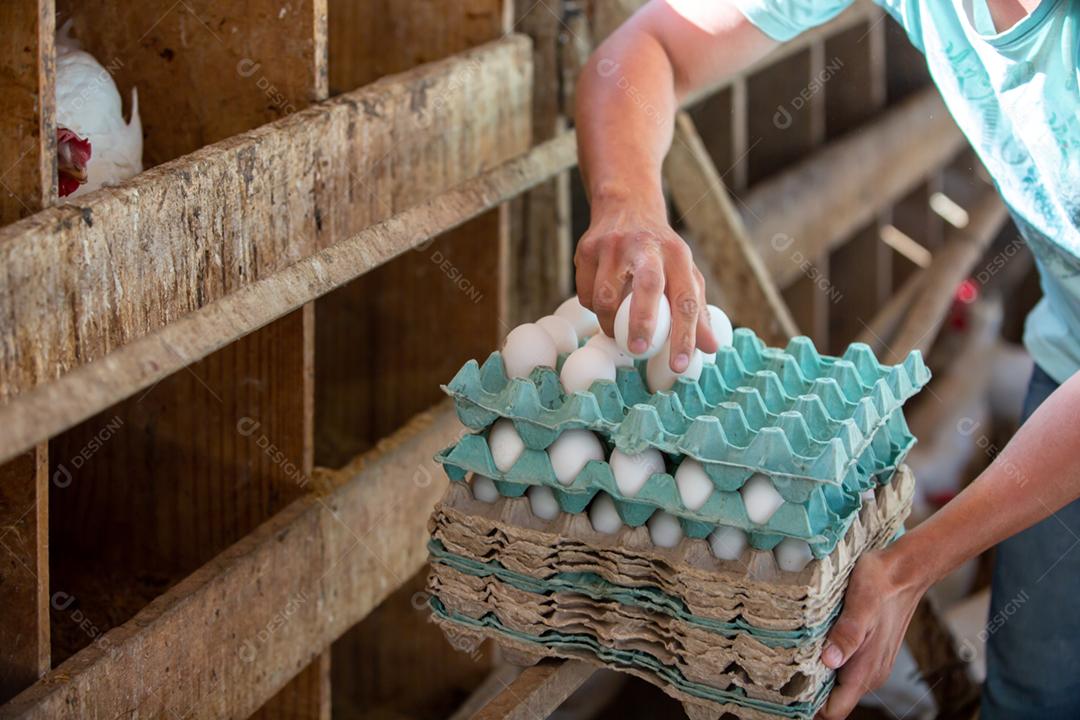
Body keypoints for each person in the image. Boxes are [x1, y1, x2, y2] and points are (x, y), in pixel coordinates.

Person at [573, 1, 1080, 718]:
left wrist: (913, 564)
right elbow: (647, 45)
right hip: (1067, 361)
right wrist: (628, 203)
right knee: (1035, 693)